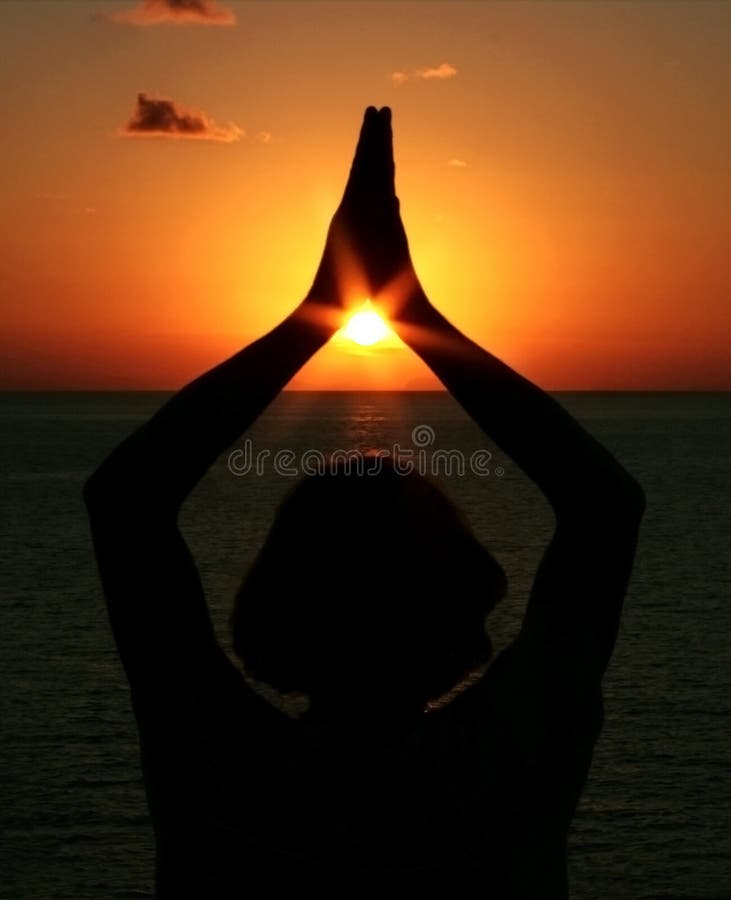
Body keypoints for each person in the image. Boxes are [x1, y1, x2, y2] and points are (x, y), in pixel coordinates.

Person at [84, 107, 645, 898]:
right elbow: (603, 507)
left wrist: (315, 313)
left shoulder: (217, 766)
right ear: (462, 608)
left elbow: (126, 502)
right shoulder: (514, 757)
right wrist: (415, 316)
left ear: (276, 606)